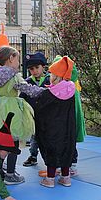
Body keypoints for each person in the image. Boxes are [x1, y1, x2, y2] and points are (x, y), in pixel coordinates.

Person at [0, 46, 44, 185]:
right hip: (12, 111)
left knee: (1, 141)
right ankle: (10, 173)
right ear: (10, 59)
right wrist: (43, 91)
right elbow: (28, 89)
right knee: (13, 141)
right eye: (17, 59)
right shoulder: (13, 76)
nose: (19, 63)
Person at [33, 56, 77, 188]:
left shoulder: (48, 94)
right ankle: (66, 178)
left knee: (51, 151)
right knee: (66, 150)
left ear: (55, 76)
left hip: (51, 130)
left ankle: (50, 179)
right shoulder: (71, 91)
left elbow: (39, 110)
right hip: (67, 129)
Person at [20, 53, 50, 167]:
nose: (35, 71)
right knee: (34, 139)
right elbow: (22, 97)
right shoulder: (27, 82)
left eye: (37, 67)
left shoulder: (50, 80)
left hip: (47, 117)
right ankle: (33, 156)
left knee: (48, 139)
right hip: (33, 117)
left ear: (43, 66)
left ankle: (50, 159)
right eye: (31, 69)